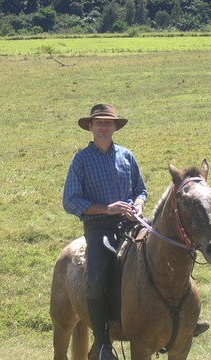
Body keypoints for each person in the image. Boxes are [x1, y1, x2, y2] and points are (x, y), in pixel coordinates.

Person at [63, 104, 147, 360]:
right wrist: (107, 208)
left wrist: (139, 205)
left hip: (130, 224)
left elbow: (140, 190)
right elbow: (70, 200)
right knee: (98, 277)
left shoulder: (127, 156)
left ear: (114, 127)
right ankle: (102, 343)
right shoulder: (81, 160)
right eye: (98, 123)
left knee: (165, 254)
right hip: (99, 227)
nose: (103, 127)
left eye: (108, 123)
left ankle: (179, 322)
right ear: (90, 127)